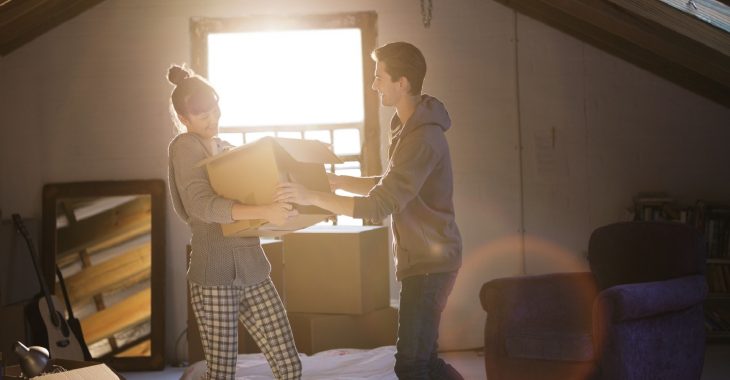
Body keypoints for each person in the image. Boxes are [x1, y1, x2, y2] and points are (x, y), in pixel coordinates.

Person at [276, 42, 463, 380]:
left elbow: (379, 205)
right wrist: (337, 181)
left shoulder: (422, 138)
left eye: (379, 77)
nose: (373, 84)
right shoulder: (407, 127)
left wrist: (312, 195)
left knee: (411, 365)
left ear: (402, 83)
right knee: (425, 361)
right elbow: (389, 185)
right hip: (423, 262)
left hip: (429, 266)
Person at [166, 64, 302, 380]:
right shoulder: (184, 147)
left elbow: (253, 201)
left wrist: (279, 206)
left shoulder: (226, 149)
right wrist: (264, 211)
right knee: (223, 373)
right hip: (213, 275)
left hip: (254, 269)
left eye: (215, 110)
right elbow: (199, 206)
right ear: (184, 120)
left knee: (290, 366)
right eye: (203, 116)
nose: (213, 119)